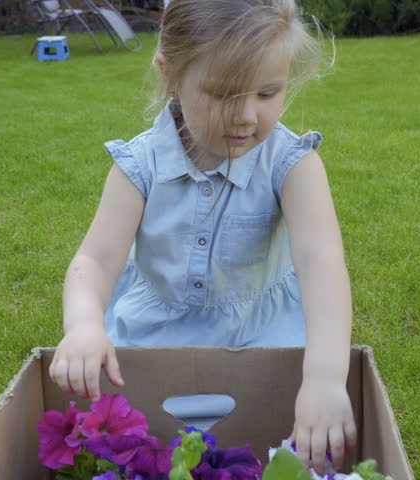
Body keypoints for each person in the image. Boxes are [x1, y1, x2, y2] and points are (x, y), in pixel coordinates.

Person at [49, 0, 356, 475]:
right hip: (151, 341)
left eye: (268, 93)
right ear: (170, 76)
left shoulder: (291, 163)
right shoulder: (141, 165)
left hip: (262, 339)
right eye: (222, 95)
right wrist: (85, 326)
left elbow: (322, 262)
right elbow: (94, 260)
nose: (246, 117)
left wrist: (325, 378)